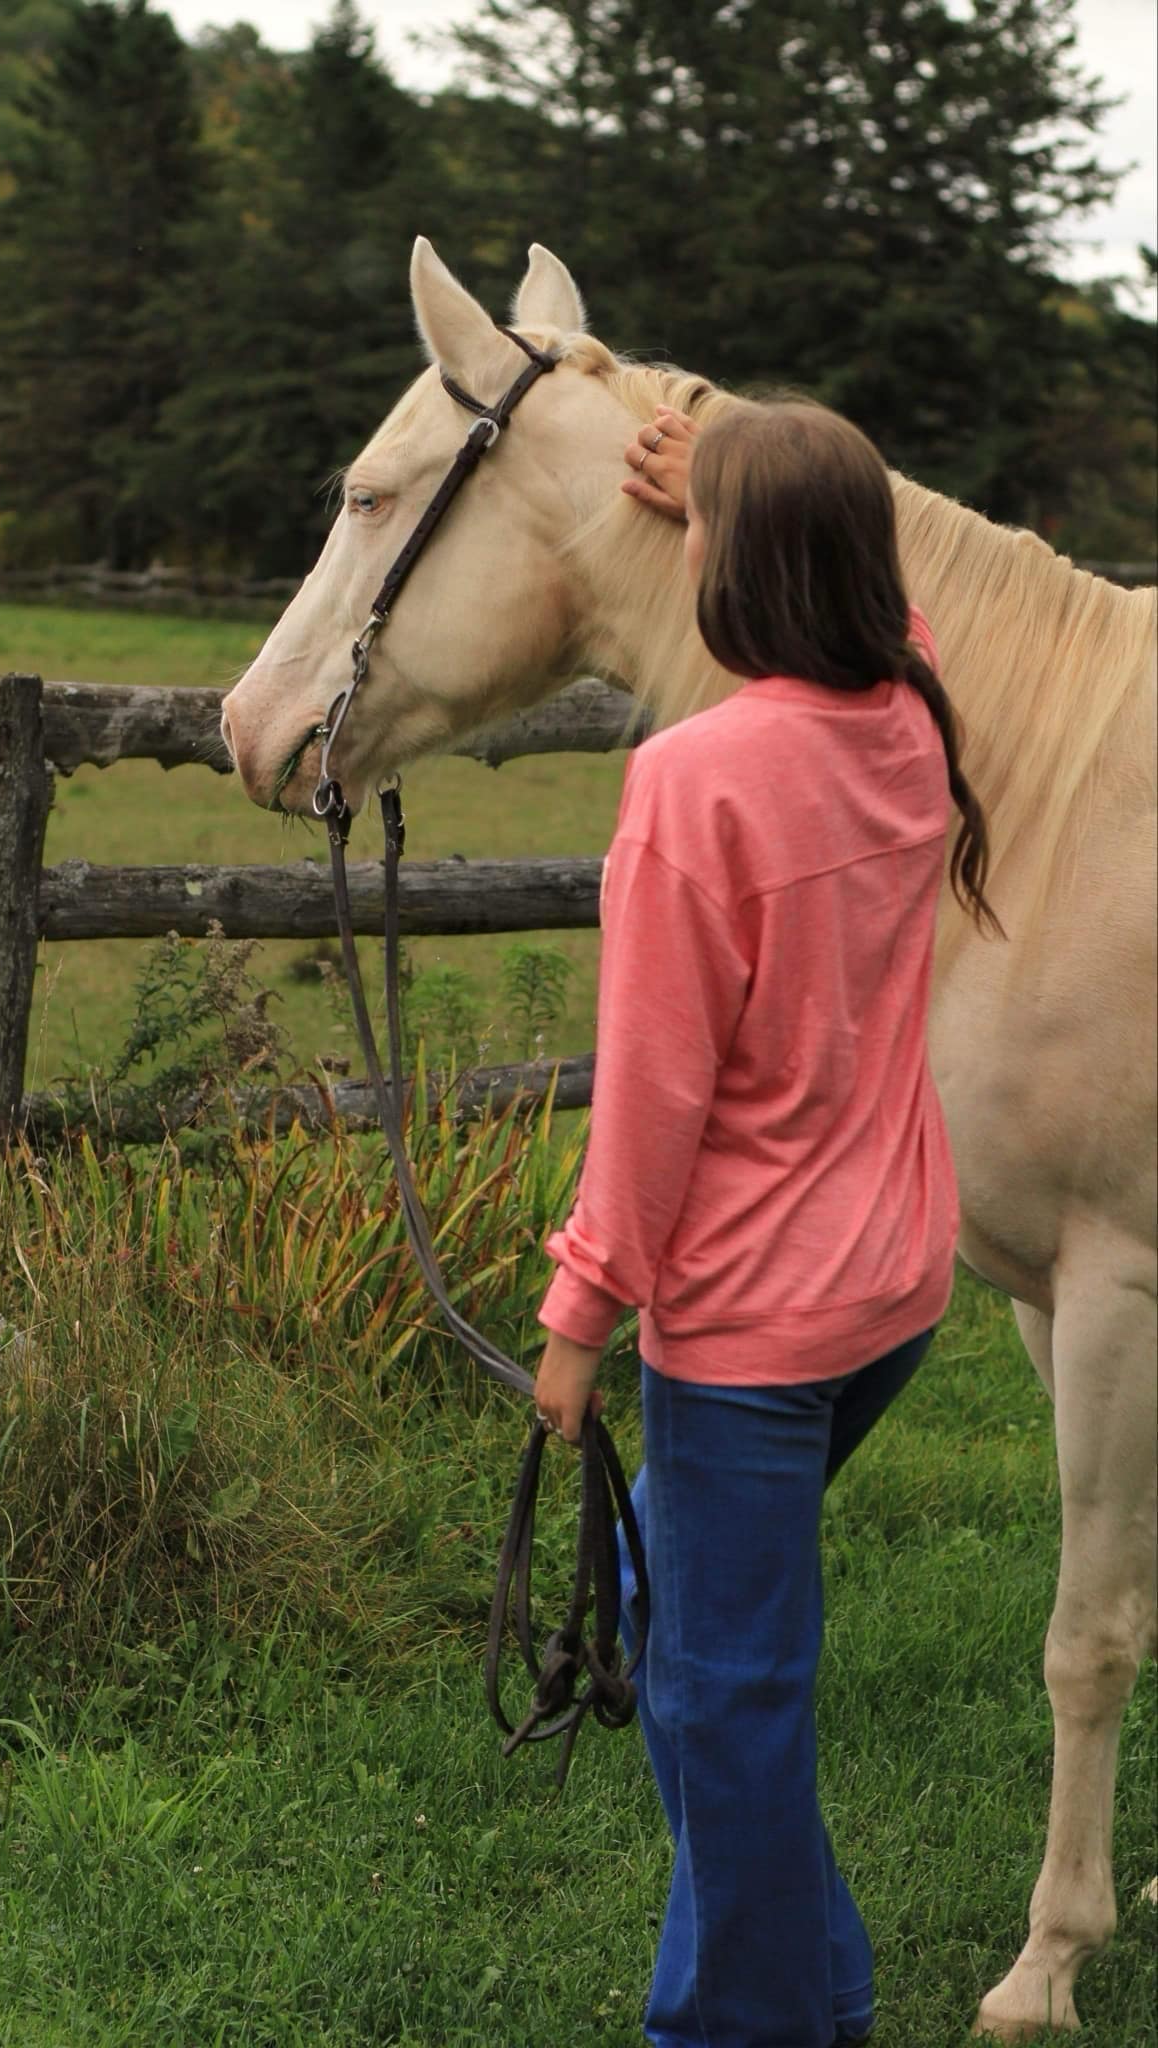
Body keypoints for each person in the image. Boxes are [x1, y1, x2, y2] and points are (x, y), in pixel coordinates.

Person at [532, 395, 1003, 2048]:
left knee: (723, 1696)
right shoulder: (910, 718)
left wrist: (579, 1316)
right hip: (894, 1291)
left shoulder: (696, 781)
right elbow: (902, 612)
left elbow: (654, 1097)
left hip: (749, 1329)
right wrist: (733, 485)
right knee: (682, 1624)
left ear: (739, 565)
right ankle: (823, 1987)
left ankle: (734, 2025)